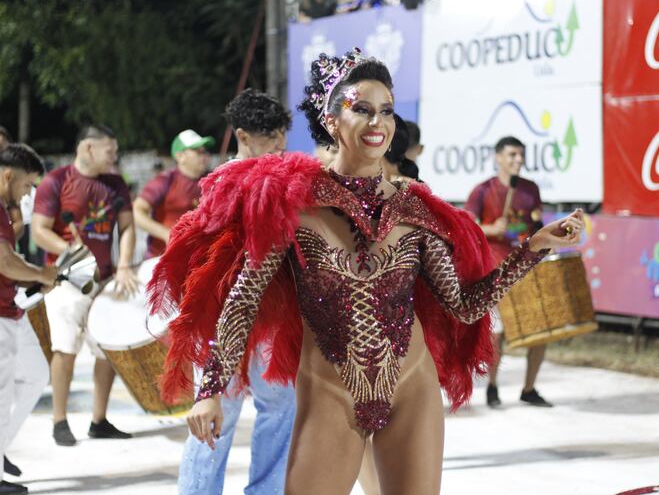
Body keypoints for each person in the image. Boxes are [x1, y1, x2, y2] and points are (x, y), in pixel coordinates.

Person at [148, 48, 584, 495]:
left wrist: (535, 248)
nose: (379, 123)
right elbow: (242, 300)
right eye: (363, 109)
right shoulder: (294, 204)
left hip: (412, 389)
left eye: (387, 112)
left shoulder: (415, 205)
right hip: (328, 395)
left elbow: (465, 305)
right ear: (332, 119)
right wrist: (210, 389)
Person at [175, 90, 296, 495]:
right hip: (223, 314)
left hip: (274, 317)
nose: (280, 144)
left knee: (280, 407)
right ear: (242, 135)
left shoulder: (283, 179)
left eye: (282, 134)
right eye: (270, 135)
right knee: (213, 416)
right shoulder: (221, 184)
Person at [31, 125, 137, 446]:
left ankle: (99, 420)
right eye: (110, 150)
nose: (115, 156)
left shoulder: (115, 183)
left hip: (105, 280)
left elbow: (128, 227)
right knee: (65, 348)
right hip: (67, 281)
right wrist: (77, 257)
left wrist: (122, 266)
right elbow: (39, 230)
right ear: (88, 148)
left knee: (107, 349)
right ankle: (59, 421)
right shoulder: (57, 181)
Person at [465, 136, 553, 408]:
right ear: (498, 157)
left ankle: (529, 388)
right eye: (513, 155)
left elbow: (535, 225)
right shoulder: (482, 191)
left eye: (521, 155)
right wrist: (491, 230)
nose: (518, 160)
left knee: (540, 332)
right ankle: (492, 385)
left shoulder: (530, 190)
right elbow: (468, 228)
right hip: (496, 270)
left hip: (526, 268)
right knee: (496, 333)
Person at [0, 143, 57, 495]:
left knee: (36, 375)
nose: (28, 193)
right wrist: (42, 273)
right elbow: (4, 262)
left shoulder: (5, 210)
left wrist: (35, 278)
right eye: (26, 185)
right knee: (2, 393)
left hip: (10, 309)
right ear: (8, 176)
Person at [133, 129, 213, 258]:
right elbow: (137, 210)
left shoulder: (211, 180)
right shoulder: (165, 180)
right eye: (197, 151)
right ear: (180, 156)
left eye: (205, 152)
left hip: (199, 259)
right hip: (163, 258)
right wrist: (166, 233)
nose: (204, 156)